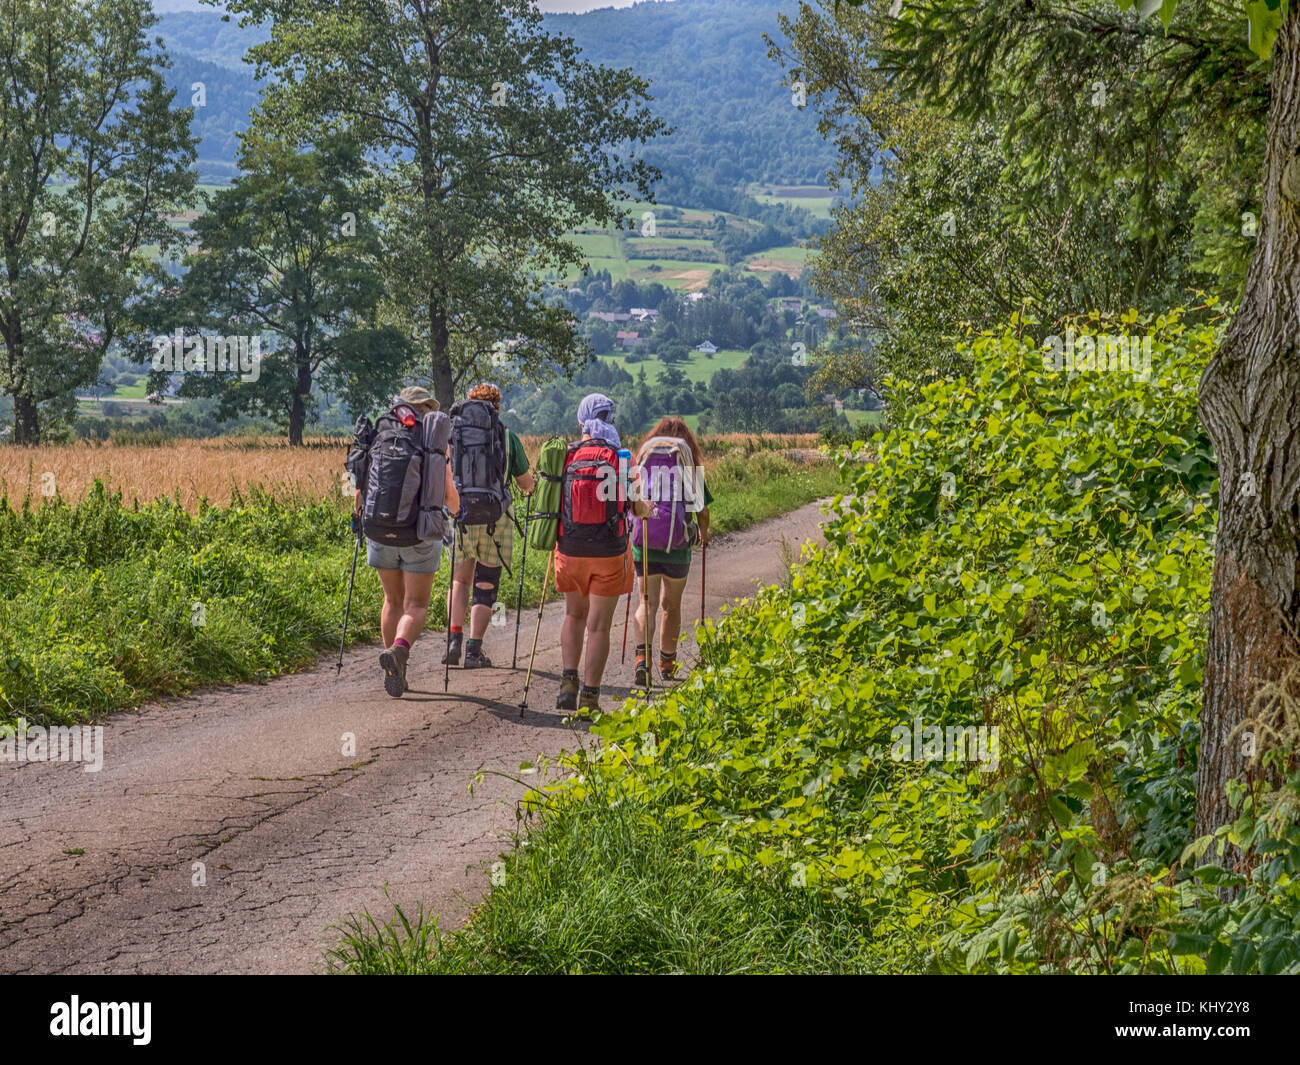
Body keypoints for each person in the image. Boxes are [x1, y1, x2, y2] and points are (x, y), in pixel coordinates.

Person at [353, 386, 458, 697]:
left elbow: (359, 488)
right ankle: (399, 651)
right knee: (416, 604)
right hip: (419, 532)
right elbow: (448, 490)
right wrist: (458, 513)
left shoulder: (380, 434)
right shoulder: (433, 440)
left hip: (378, 530)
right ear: (425, 408)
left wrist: (357, 519)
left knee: (392, 600)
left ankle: (395, 667)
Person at [554, 393, 651, 715]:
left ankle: (568, 681)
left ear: (581, 421)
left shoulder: (566, 455)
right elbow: (637, 507)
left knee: (573, 615)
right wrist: (646, 509)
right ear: (610, 419)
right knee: (598, 626)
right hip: (609, 551)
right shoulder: (623, 458)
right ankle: (591, 698)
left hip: (570, 549)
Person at [443, 383, 535, 669]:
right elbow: (526, 484)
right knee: (485, 584)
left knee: (459, 581)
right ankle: (474, 650)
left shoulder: (452, 434)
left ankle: (453, 641)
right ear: (497, 407)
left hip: (459, 515)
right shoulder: (507, 436)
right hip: (497, 518)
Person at [630, 417, 712, 686]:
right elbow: (702, 508)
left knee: (647, 604)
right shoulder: (687, 461)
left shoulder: (645, 458)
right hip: (677, 546)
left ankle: (642, 660)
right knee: (671, 606)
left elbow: (631, 498)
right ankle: (667, 663)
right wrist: (704, 531)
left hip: (645, 541)